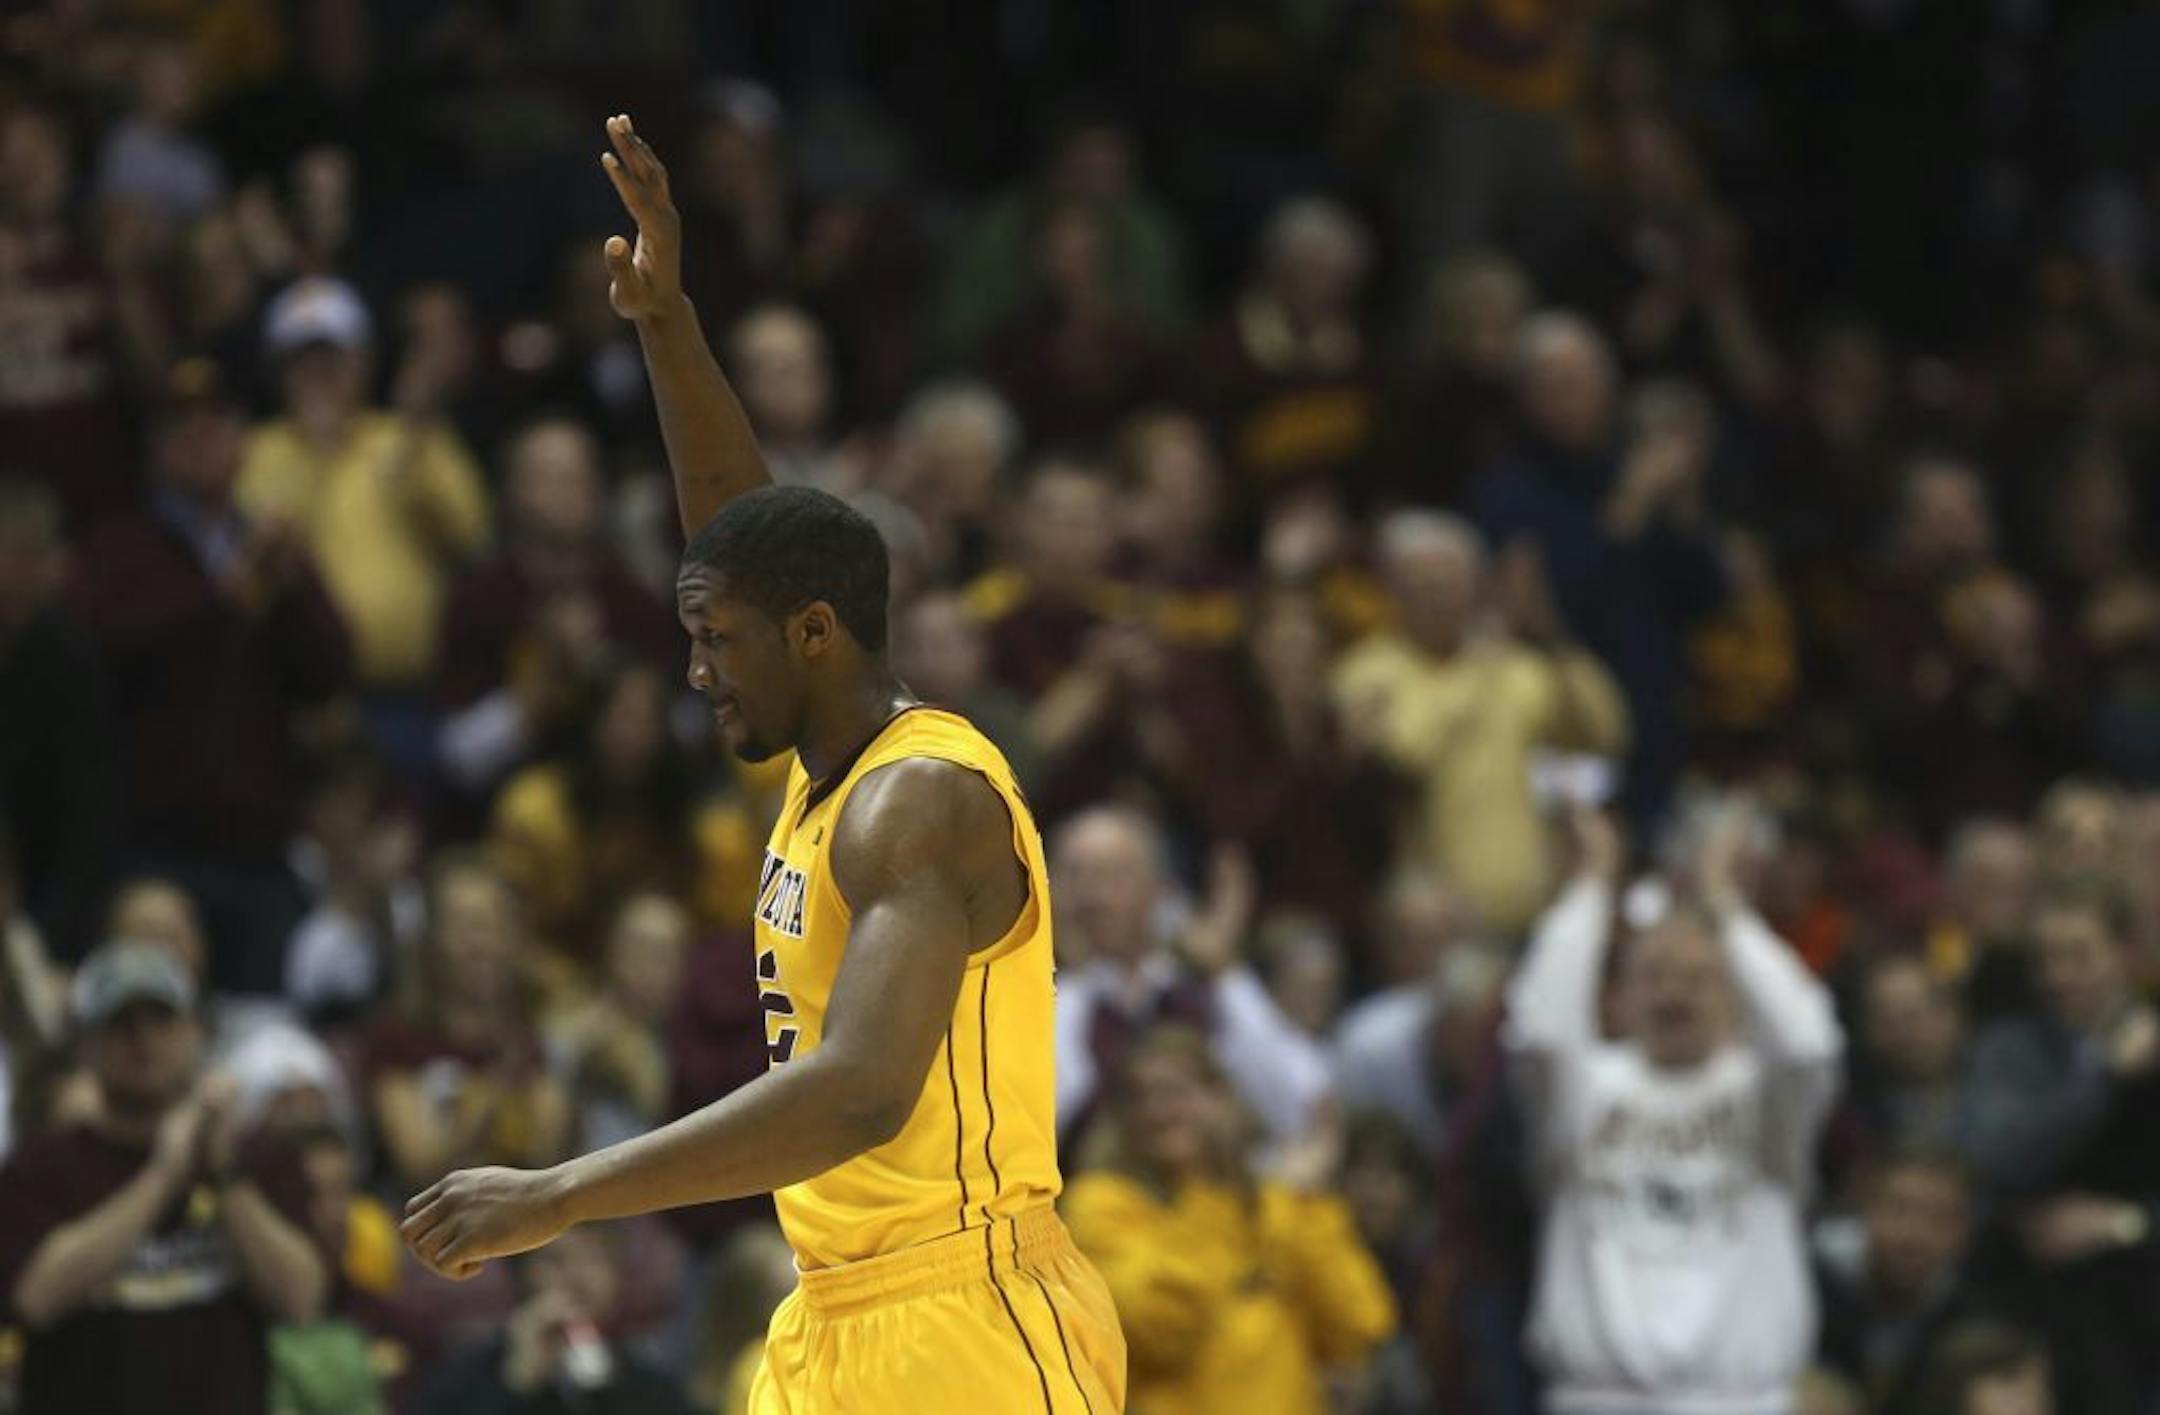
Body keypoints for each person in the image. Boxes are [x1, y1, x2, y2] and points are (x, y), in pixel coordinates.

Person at [400, 115, 1126, 1415]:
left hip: (970, 1320)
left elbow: (857, 1091)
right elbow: (738, 530)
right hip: (833, 1311)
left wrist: (565, 1190)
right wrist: (667, 319)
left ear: (814, 634)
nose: (695, 671)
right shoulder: (821, 748)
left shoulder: (926, 799)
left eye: (716, 643)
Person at [1506, 803, 1844, 1414]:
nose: (1675, 992)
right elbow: (1539, 1035)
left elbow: (1807, 1042)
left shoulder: (1765, 1098)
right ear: (1621, 995)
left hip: (1740, 1399)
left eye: (1698, 976)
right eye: (1655, 974)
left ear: (1735, 991)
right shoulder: (1586, 1090)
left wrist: (1725, 905)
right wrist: (1591, 886)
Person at [0, 941, 327, 1413]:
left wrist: (224, 1173)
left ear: (197, 1031)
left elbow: (301, 1300)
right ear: (87, 1046)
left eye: (162, 1019)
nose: (144, 1040)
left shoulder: (255, 1155)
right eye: (122, 1024)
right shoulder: (43, 1164)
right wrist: (162, 1176)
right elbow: (35, 1298)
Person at [1063, 1026, 1397, 1415]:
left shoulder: (1273, 1202)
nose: (1159, 1111)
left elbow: (1357, 1327)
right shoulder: (1101, 1204)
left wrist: (1302, 1204)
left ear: (1222, 1099)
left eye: (1177, 1092)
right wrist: (1213, 1192)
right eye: (1141, 1097)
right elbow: (1159, 1331)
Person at [411, 1225, 696, 1415]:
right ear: (522, 1272)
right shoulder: (465, 1374)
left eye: (594, 1259)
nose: (578, 1277)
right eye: (557, 1260)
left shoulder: (649, 1384)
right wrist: (517, 1383)